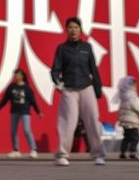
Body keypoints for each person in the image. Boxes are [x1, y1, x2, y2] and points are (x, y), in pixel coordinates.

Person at [51, 17, 107, 167]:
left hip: (86, 87)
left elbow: (93, 69)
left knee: (93, 122)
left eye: (76, 27)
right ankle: (62, 155)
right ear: (66, 30)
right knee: (67, 123)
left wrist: (97, 88)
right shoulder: (62, 49)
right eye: (70, 27)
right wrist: (58, 83)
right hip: (69, 89)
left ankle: (98, 155)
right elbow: (55, 69)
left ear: (80, 30)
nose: (73, 30)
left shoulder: (87, 47)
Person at [0, 69, 42, 159]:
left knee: (27, 130)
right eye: (15, 75)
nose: (15, 77)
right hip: (14, 112)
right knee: (13, 132)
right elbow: (4, 99)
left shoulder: (27, 88)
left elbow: (33, 101)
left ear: (22, 76)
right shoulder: (11, 87)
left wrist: (38, 111)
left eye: (17, 75)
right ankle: (16, 150)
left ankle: (33, 149)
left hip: (25, 112)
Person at [114, 75, 139, 160]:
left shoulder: (123, 97)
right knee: (135, 138)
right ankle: (132, 153)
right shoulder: (132, 97)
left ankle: (122, 153)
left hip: (124, 121)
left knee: (126, 138)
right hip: (132, 121)